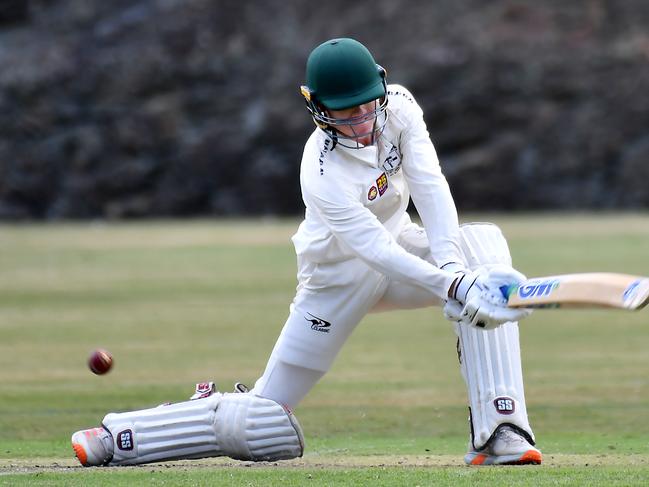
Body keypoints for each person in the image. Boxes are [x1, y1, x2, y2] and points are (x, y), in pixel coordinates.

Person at [71, 38, 541, 467]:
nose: (359, 123)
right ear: (316, 108)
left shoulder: (399, 106)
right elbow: (371, 250)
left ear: (380, 88)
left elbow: (430, 184)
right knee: (262, 418)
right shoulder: (320, 172)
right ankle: (124, 435)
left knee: (483, 247)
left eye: (365, 108)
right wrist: (454, 285)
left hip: (400, 245)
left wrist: (458, 268)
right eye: (344, 114)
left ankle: (500, 431)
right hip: (337, 279)